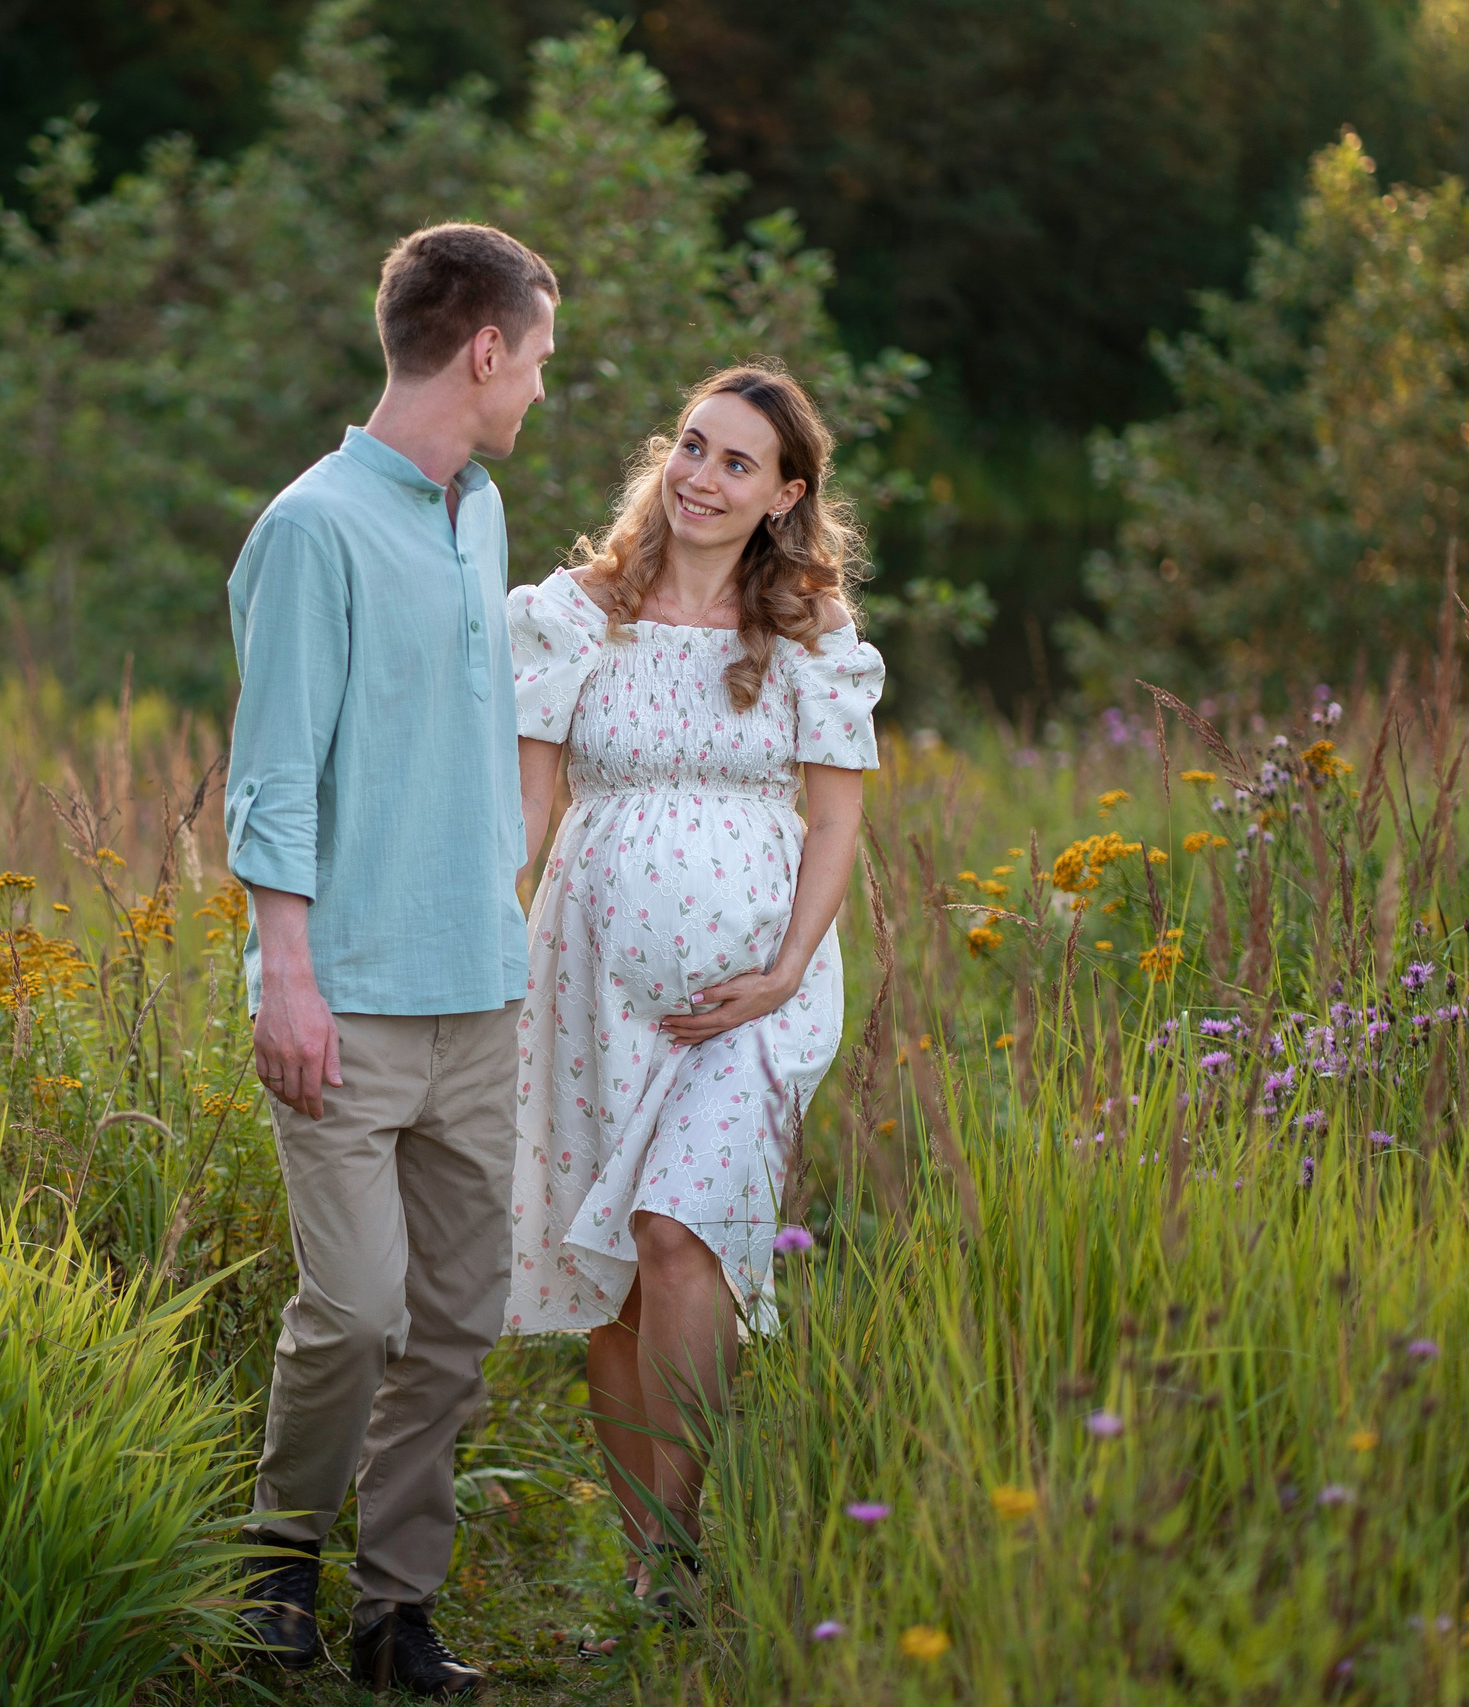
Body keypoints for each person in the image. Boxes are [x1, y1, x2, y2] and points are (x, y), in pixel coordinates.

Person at [224, 222, 560, 1697]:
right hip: (347, 997)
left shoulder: (477, 511)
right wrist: (283, 970)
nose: (541, 389)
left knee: (459, 1318)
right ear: (484, 347)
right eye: (539, 359)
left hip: (479, 987)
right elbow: (272, 773)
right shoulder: (311, 527)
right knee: (354, 1305)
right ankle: (275, 1555)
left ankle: (394, 1609)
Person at [502, 363, 881, 1624]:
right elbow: (530, 804)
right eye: (692, 448)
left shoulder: (811, 641)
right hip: (587, 980)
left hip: (755, 996)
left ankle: (691, 1528)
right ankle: (651, 1569)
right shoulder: (577, 615)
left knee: (680, 1234)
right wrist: (486, 940)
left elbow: (834, 825)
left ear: (785, 495)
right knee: (615, 1267)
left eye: (737, 463)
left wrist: (781, 971)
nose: (703, 478)